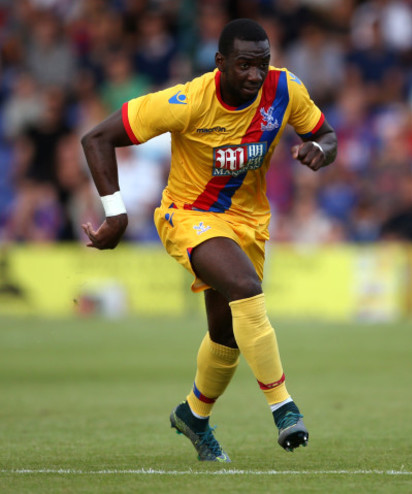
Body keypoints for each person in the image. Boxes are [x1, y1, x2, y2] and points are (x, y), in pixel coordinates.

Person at [80, 18, 337, 462]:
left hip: (249, 223)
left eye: (263, 64)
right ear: (220, 63)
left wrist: (321, 151)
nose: (256, 76)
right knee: (246, 288)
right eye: (244, 66)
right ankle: (283, 407)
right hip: (190, 215)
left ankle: (193, 415)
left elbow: (326, 135)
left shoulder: (284, 90)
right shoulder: (186, 101)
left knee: (228, 335)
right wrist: (116, 214)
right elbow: (97, 138)